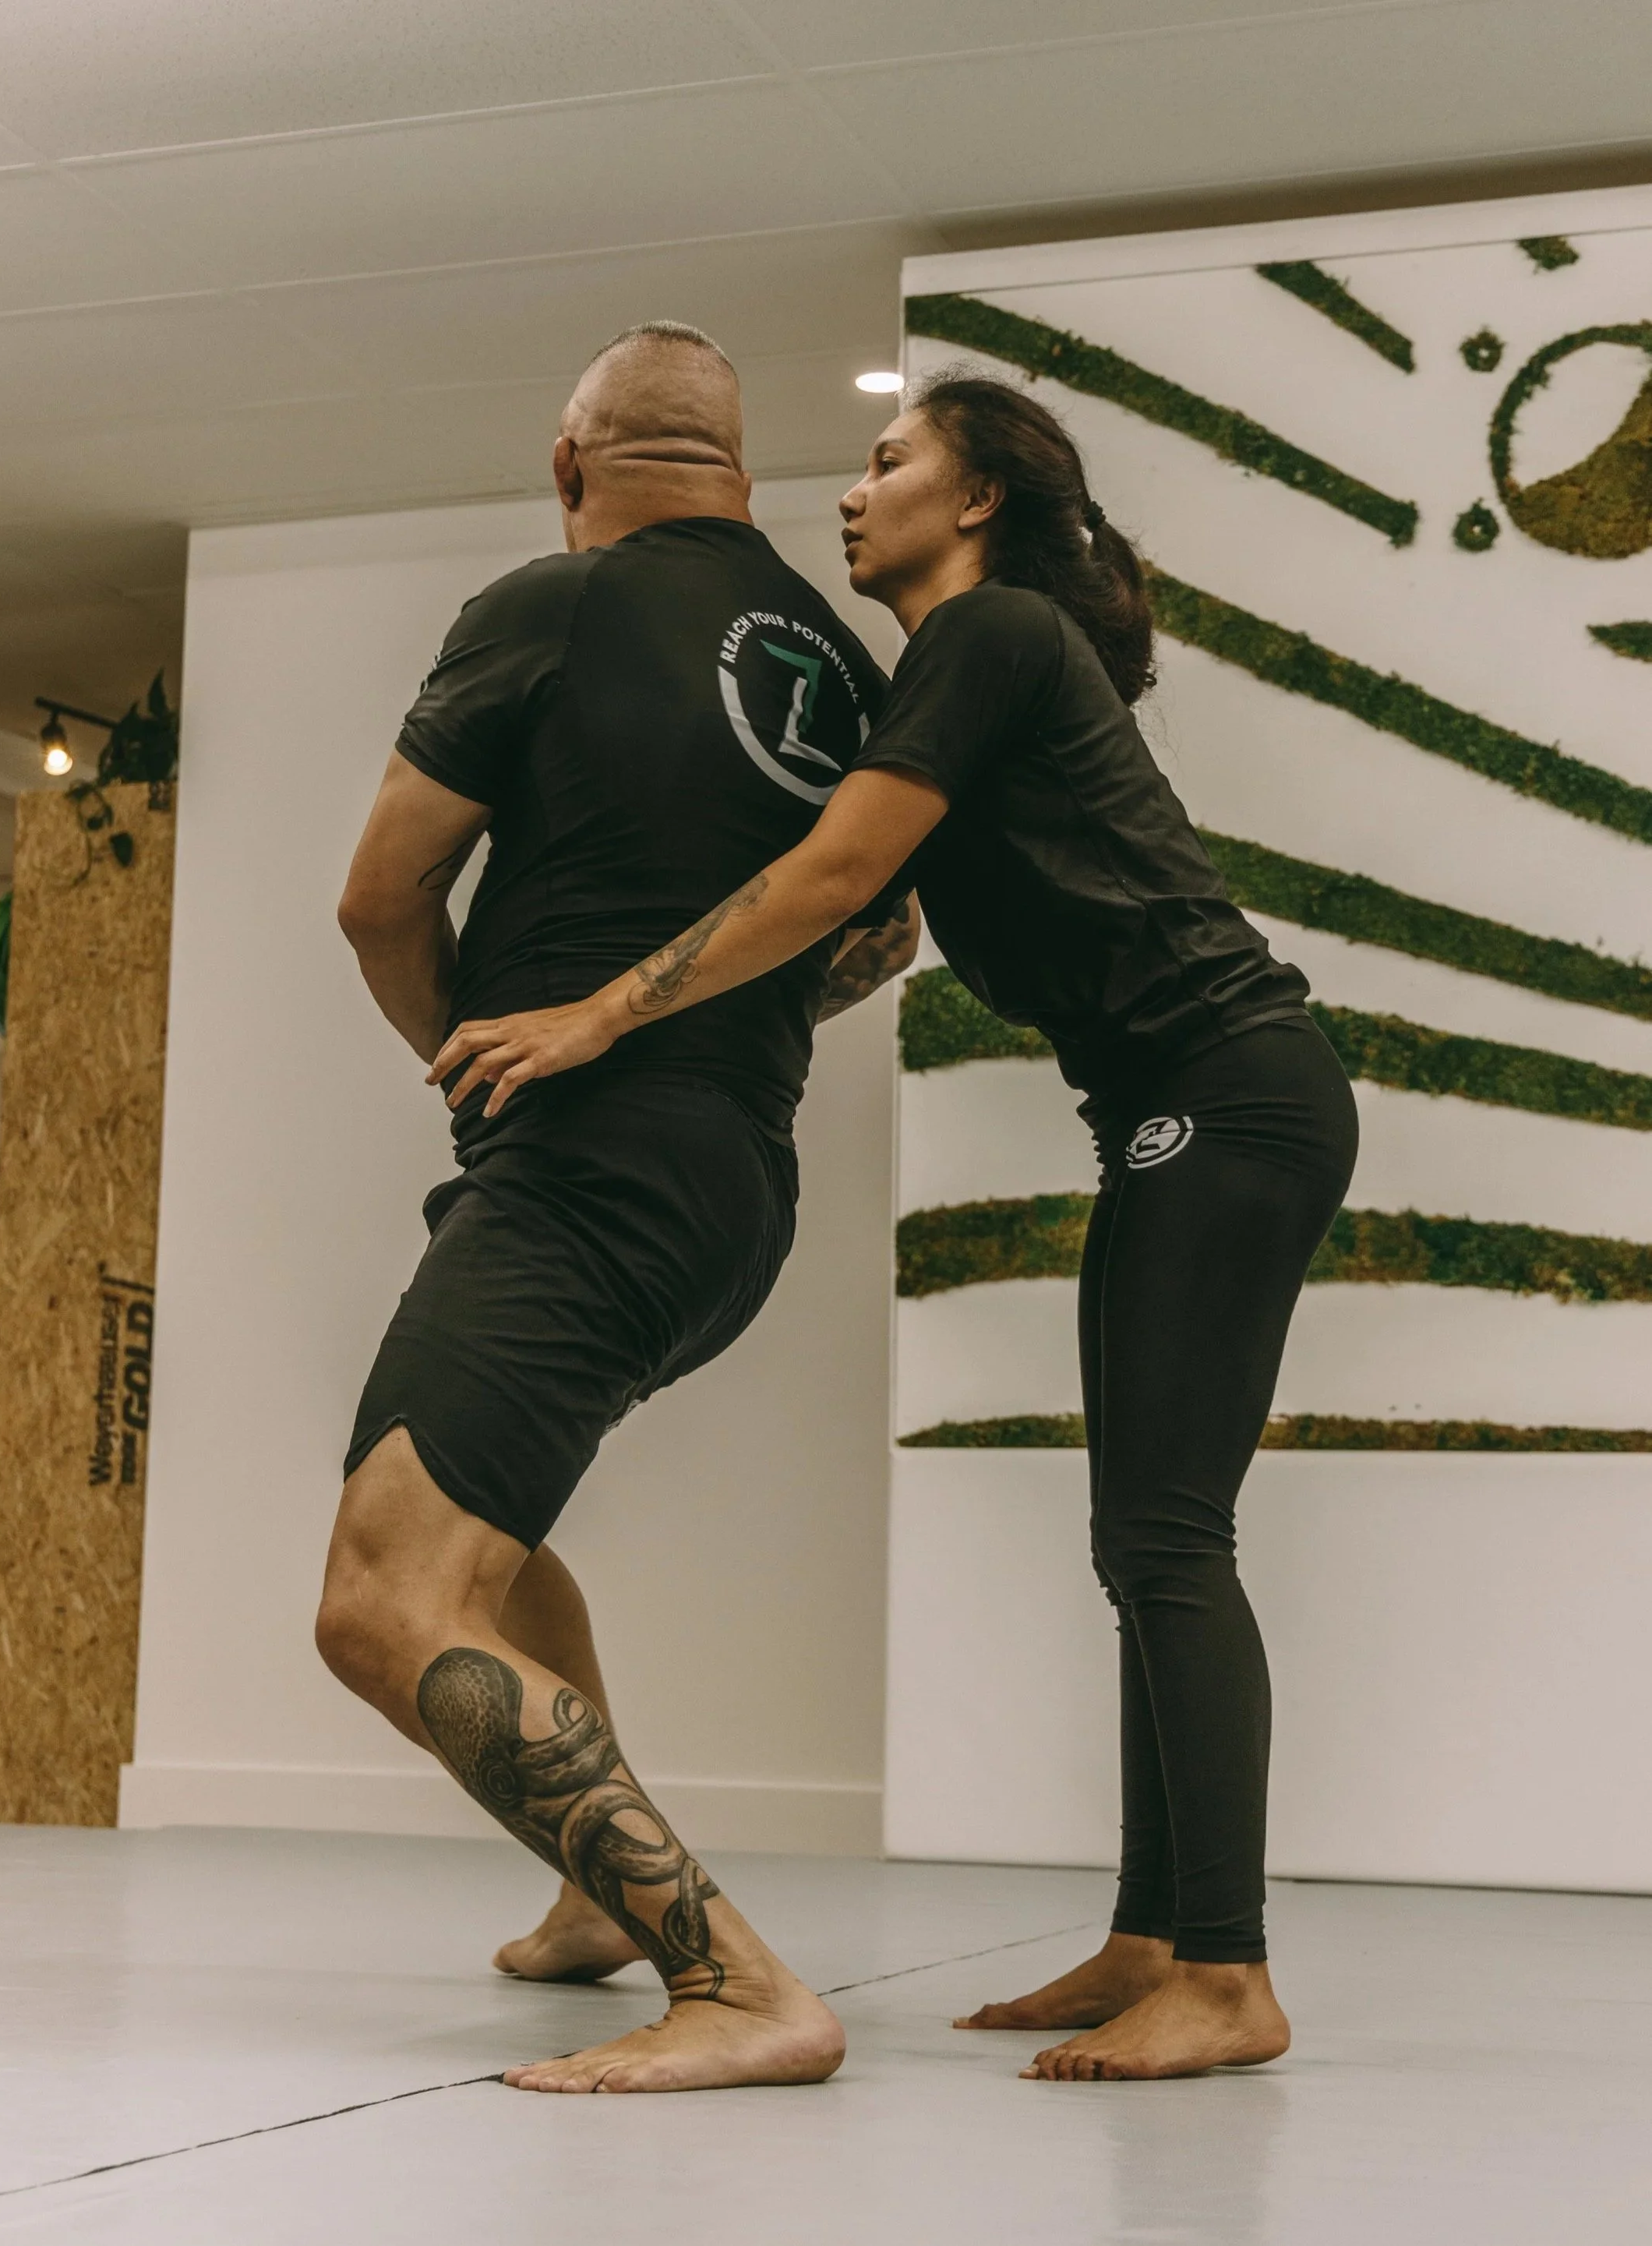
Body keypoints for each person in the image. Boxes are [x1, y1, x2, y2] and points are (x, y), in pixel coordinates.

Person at [429, 373, 1360, 2084]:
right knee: (1139, 1539)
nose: (850, 496)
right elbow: (868, 931)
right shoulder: (963, 672)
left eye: (886, 461)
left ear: (981, 496)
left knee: (1169, 1542)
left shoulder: (990, 634)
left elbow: (825, 884)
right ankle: (1157, 1935)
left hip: (1228, 1097)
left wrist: (593, 1018)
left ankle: (1227, 1972)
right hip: (1191, 1109)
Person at [319, 320, 918, 2096]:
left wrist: (476, 1065)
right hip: (738, 1177)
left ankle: (735, 1982)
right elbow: (870, 941)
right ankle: (592, 1899)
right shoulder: (836, 656)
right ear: (742, 479)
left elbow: (377, 897)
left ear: (570, 466)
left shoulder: (552, 604)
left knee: (378, 1596)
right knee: (476, 1536)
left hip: (595, 1170)